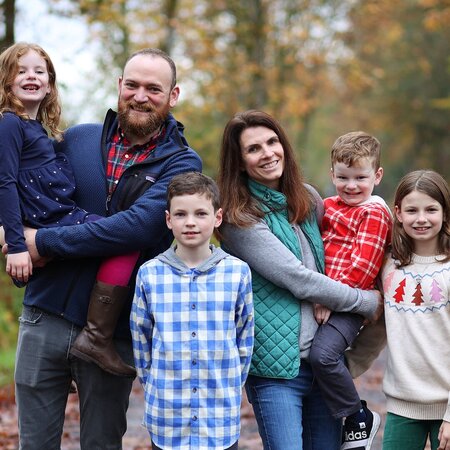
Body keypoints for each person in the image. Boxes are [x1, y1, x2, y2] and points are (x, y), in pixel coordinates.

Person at [2, 47, 202, 449]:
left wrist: (42, 241)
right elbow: (22, 186)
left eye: (153, 88)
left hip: (114, 333)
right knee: (34, 444)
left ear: (173, 95)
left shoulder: (181, 165)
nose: (140, 95)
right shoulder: (78, 139)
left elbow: (135, 229)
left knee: (101, 443)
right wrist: (7, 233)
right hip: (45, 313)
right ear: (119, 86)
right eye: (132, 85)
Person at [217, 110, 383, 450]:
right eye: (253, 149)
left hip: (323, 365)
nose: (267, 153)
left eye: (272, 142)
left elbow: (347, 243)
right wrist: (366, 301)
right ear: (239, 162)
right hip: (277, 370)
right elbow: (298, 278)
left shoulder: (307, 198)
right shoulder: (238, 217)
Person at [0, 41, 142, 377]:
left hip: (56, 218)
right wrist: (17, 244)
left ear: (50, 84)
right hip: (53, 220)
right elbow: (4, 182)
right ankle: (95, 339)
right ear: (7, 81)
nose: (31, 76)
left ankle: (80, 352)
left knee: (112, 242)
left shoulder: (37, 129)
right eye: (22, 71)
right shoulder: (9, 123)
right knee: (124, 240)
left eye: (40, 71)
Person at [130, 171, 254, 450]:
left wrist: (231, 382)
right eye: (181, 214)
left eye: (200, 214)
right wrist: (154, 386)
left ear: (217, 218)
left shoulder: (237, 273)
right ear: (168, 219)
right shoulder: (150, 274)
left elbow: (244, 338)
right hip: (167, 416)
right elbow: (141, 339)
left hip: (219, 416)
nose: (190, 223)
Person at [308, 131, 392, 450]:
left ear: (377, 176)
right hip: (325, 295)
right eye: (343, 177)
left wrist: (328, 296)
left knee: (324, 355)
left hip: (349, 303)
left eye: (360, 177)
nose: (351, 185)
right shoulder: (329, 207)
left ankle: (357, 415)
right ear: (332, 175)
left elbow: (364, 267)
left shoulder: (374, 211)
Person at [383, 170, 449, 450]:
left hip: (446, 407)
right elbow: (377, 327)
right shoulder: (389, 266)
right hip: (402, 406)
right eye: (412, 210)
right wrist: (344, 368)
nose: (421, 218)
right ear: (398, 213)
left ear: (445, 212)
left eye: (431, 209)